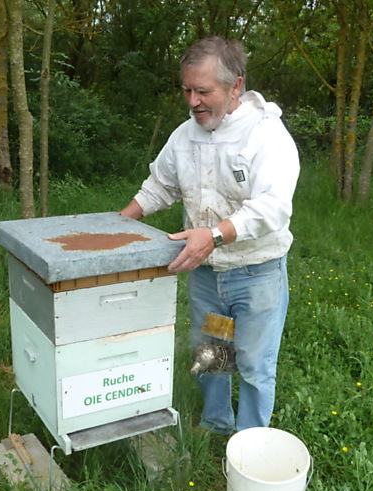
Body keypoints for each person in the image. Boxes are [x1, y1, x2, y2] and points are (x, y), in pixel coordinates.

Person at [118, 36, 300, 434]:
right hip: (205, 276)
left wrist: (213, 235)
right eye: (186, 90)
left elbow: (273, 207)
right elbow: (159, 188)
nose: (192, 101)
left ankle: (250, 445)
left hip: (256, 276)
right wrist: (117, 223)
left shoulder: (267, 136)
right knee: (213, 354)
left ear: (235, 86)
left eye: (203, 91)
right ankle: (216, 424)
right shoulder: (185, 136)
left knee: (254, 364)